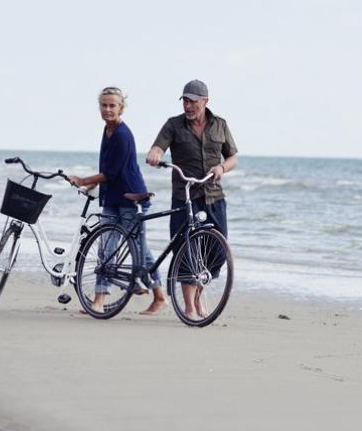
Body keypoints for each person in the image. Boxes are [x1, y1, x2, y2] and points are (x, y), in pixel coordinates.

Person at [67, 86, 166, 315]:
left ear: (121, 108)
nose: (108, 109)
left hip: (131, 197)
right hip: (112, 196)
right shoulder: (107, 130)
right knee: (106, 248)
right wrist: (93, 184)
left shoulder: (122, 135)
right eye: (104, 105)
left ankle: (160, 296)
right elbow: (107, 167)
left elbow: (112, 173)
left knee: (140, 250)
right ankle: (99, 301)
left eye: (112, 105)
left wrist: (83, 180)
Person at [145, 79, 238, 321]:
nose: (188, 106)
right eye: (185, 101)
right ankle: (189, 307)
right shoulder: (174, 125)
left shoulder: (220, 125)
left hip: (214, 196)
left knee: (217, 250)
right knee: (187, 251)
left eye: (192, 101)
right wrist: (155, 153)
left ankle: (199, 295)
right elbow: (158, 147)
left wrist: (222, 167)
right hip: (185, 196)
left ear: (205, 101)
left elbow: (233, 158)